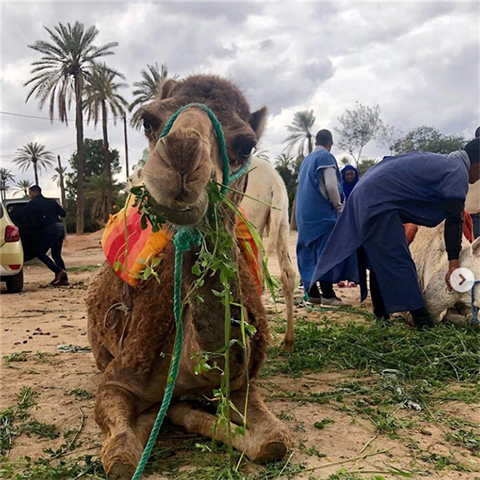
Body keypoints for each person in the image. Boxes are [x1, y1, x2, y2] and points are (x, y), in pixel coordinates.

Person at [310, 137, 480, 328]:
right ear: (478, 166)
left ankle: (381, 317)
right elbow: (454, 220)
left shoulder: (447, 163)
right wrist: (453, 265)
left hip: (368, 194)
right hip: (375, 201)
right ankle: (423, 323)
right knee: (399, 259)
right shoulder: (457, 172)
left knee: (380, 259)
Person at [295, 129, 345, 306]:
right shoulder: (326, 157)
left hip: (304, 213)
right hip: (322, 213)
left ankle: (313, 294)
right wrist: (338, 207)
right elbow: (331, 185)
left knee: (308, 251)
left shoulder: (306, 161)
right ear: (330, 144)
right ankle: (329, 295)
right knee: (325, 252)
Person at [17, 185, 68, 286]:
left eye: (30, 193)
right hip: (60, 228)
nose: (30, 195)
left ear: (35, 192)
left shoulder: (34, 203)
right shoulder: (52, 202)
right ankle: (64, 279)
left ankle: (58, 271)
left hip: (51, 229)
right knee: (56, 255)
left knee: (39, 252)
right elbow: (63, 214)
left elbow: (20, 214)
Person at [337, 165, 360, 288]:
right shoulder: (340, 189)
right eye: (347, 174)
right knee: (341, 251)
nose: (350, 177)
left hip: (355, 224)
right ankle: (340, 278)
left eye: (352, 174)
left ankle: (353, 279)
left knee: (354, 252)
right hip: (341, 224)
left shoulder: (359, 188)